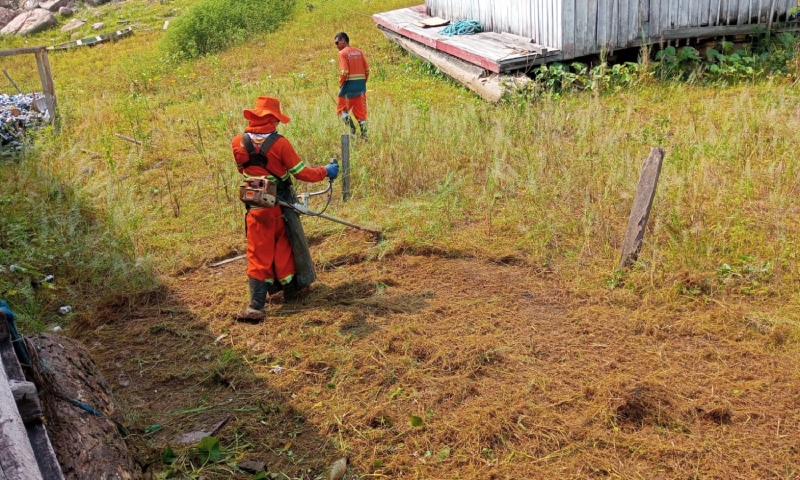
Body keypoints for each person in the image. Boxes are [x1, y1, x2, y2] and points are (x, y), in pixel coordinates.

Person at [231, 96, 339, 321]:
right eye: (277, 120)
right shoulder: (280, 143)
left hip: (255, 204)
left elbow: (243, 170)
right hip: (280, 205)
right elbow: (302, 173)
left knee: (257, 252)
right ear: (271, 119)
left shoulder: (237, 142)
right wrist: (326, 171)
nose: (278, 124)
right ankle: (291, 293)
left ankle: (255, 306)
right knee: (284, 246)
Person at [334, 32, 370, 140]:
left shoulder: (342, 53)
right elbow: (367, 69)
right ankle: (364, 136)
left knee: (341, 110)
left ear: (343, 40)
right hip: (360, 88)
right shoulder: (359, 52)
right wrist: (363, 82)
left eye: (337, 42)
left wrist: (341, 83)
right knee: (361, 114)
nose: (336, 45)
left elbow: (344, 71)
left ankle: (353, 131)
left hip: (347, 89)